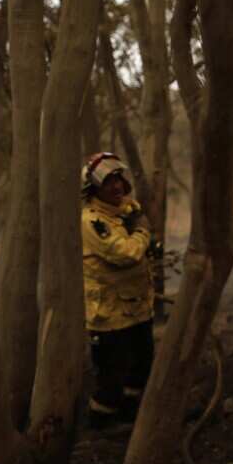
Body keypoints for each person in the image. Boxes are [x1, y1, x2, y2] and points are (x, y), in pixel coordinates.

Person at [80, 152, 155, 429]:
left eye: (119, 179)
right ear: (95, 188)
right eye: (109, 181)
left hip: (136, 307)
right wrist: (144, 233)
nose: (117, 186)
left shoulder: (125, 209)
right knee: (112, 372)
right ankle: (102, 421)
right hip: (109, 314)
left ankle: (129, 415)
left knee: (141, 365)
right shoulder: (90, 221)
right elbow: (124, 253)